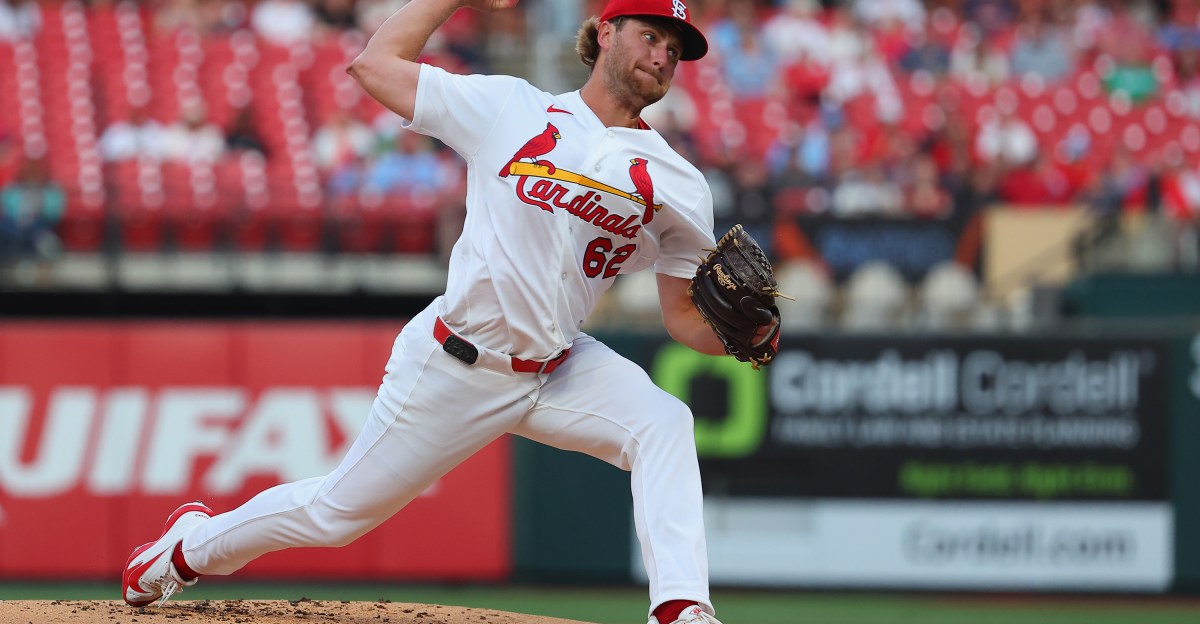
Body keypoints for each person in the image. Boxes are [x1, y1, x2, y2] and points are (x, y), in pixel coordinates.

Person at [121, 1, 773, 624]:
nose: (661, 55)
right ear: (605, 33)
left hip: (559, 365)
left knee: (664, 422)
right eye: (650, 36)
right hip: (459, 361)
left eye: (674, 49)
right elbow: (374, 66)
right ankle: (186, 548)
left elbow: (682, 318)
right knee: (336, 514)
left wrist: (751, 337)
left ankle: (680, 607)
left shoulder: (680, 184)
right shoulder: (512, 108)